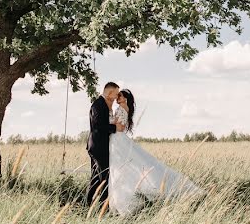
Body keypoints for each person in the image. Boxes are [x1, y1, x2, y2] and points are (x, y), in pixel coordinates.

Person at [107, 88, 203, 216]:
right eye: (117, 96)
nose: (117, 98)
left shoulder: (122, 108)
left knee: (125, 167)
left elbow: (120, 127)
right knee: (124, 169)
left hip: (118, 139)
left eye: (120, 96)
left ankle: (131, 201)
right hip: (117, 140)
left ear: (125, 98)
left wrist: (108, 121)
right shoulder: (122, 108)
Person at [85, 81, 123, 207]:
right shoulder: (98, 105)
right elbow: (98, 126)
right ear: (110, 93)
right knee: (104, 178)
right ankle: (103, 208)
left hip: (99, 146)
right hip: (98, 146)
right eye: (116, 94)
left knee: (97, 178)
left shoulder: (105, 105)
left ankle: (89, 205)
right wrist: (114, 127)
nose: (117, 96)